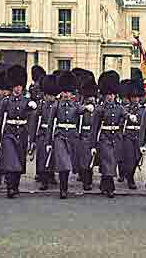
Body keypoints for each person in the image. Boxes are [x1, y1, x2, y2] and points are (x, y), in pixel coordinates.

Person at [45, 71, 94, 199]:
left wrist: (87, 108)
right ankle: (63, 189)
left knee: (69, 164)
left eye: (68, 92)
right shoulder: (56, 106)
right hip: (60, 136)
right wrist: (48, 143)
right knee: (63, 164)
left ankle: (65, 187)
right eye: (64, 92)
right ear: (61, 92)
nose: (66, 95)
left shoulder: (75, 105)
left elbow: (80, 110)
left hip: (72, 137)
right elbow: (50, 124)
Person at [0, 65, 37, 199]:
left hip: (22, 133)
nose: (18, 88)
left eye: (20, 86)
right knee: (10, 161)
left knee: (19, 160)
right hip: (9, 133)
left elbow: (31, 121)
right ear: (12, 86)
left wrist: (33, 108)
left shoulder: (27, 101)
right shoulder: (5, 101)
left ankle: (15, 185)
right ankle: (9, 187)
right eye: (16, 86)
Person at [91, 71, 131, 198]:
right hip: (104, 138)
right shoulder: (100, 109)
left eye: (112, 94)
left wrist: (131, 117)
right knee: (108, 161)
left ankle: (104, 184)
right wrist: (92, 145)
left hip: (116, 138)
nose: (110, 97)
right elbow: (94, 128)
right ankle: (110, 187)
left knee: (111, 162)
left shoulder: (118, 107)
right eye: (108, 94)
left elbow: (125, 114)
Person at [30, 74, 60, 191]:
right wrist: (32, 139)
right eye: (48, 95)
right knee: (42, 157)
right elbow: (34, 121)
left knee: (53, 157)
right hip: (42, 133)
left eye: (52, 95)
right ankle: (43, 178)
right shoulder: (41, 105)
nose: (50, 98)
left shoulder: (57, 105)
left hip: (53, 132)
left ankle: (51, 174)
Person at [122, 79, 145, 189]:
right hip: (128, 135)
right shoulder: (126, 109)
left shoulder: (143, 110)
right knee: (130, 158)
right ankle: (130, 178)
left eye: (137, 97)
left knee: (137, 158)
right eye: (133, 97)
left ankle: (130, 174)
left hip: (139, 135)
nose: (136, 99)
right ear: (130, 97)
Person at [77, 78, 98, 191]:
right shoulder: (82, 106)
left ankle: (89, 178)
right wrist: (84, 107)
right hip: (84, 135)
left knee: (92, 159)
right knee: (85, 159)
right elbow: (76, 110)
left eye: (92, 97)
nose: (91, 99)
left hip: (94, 135)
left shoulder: (97, 107)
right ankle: (86, 181)